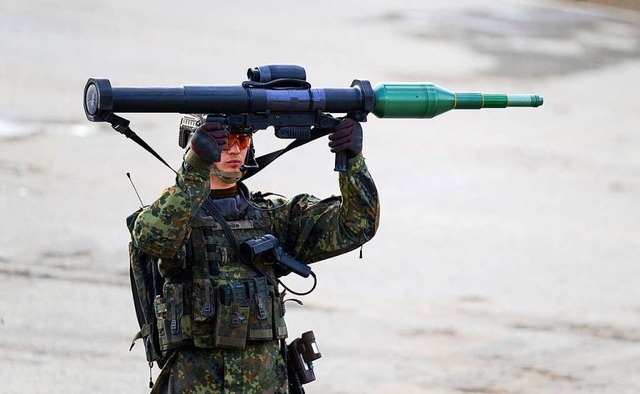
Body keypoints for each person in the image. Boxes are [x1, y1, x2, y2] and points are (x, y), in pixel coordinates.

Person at [132, 117, 379, 393]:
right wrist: (194, 168)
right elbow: (152, 240)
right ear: (197, 145)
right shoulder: (173, 217)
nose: (235, 150)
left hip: (265, 383)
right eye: (223, 143)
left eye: (242, 140)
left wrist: (353, 160)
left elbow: (356, 226)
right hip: (194, 383)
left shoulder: (272, 215)